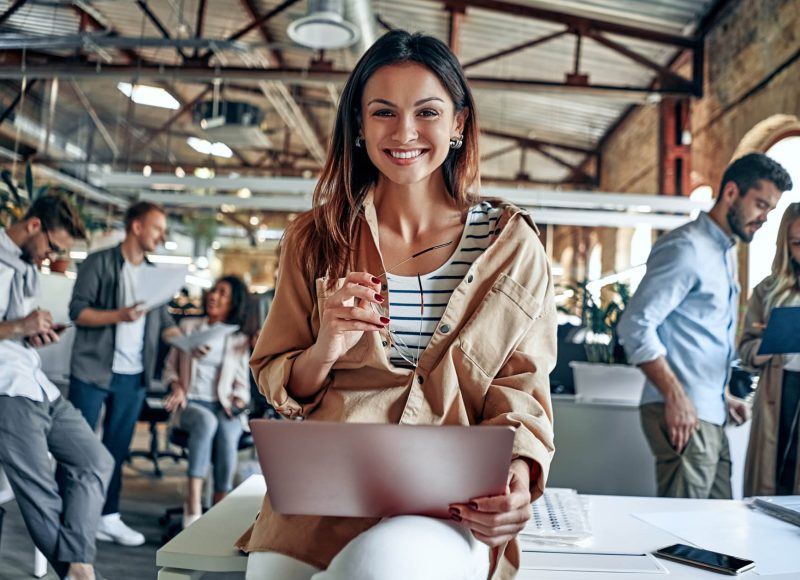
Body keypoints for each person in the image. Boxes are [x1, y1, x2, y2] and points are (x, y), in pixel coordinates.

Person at [237, 30, 557, 580]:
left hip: (452, 503)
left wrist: (522, 477)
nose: (404, 132)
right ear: (359, 126)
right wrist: (324, 348)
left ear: (458, 123)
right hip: (322, 500)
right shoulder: (316, 239)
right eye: (383, 112)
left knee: (377, 567)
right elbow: (277, 378)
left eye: (427, 112)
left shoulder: (512, 247)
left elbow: (524, 392)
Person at [618, 153, 792, 499]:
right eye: (759, 205)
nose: (763, 219)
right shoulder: (686, 248)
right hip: (686, 411)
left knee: (715, 530)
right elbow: (635, 325)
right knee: (686, 538)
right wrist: (677, 396)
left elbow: (696, 336)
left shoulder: (722, 251)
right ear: (731, 193)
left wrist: (722, 396)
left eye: (769, 211)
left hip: (708, 411)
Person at [0, 195, 113, 580]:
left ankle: (76, 561)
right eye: (53, 247)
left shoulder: (27, 267)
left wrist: (34, 334)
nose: (52, 257)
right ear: (34, 226)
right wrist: (19, 327)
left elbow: (14, 328)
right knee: (40, 490)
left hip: (37, 384)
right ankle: (79, 572)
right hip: (6, 390)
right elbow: (11, 326)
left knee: (96, 461)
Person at [67, 201, 180, 546]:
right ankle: (69, 512)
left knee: (116, 447)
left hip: (133, 376)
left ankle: (107, 516)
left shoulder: (154, 274)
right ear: (136, 227)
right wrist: (119, 315)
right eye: (157, 228)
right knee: (77, 445)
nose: (162, 235)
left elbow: (164, 324)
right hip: (93, 370)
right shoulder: (99, 263)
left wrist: (190, 342)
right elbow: (78, 312)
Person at [162, 275, 251, 527]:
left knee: (228, 429)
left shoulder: (237, 339)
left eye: (223, 294)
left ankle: (220, 503)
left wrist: (238, 400)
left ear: (232, 304)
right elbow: (169, 369)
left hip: (222, 406)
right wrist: (176, 385)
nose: (214, 296)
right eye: (214, 290)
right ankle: (193, 503)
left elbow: (242, 386)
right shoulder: (188, 327)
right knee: (206, 421)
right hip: (190, 404)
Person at [739, 202, 800, 496]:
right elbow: (746, 350)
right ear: (785, 246)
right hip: (779, 389)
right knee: (774, 473)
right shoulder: (766, 291)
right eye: (798, 244)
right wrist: (775, 339)